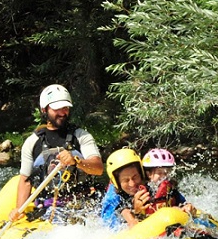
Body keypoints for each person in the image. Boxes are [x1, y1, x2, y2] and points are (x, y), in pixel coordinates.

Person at [9, 84, 104, 224]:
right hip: (50, 207)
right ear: (44, 109)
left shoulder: (82, 136)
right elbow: (25, 180)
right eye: (56, 108)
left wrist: (77, 161)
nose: (62, 112)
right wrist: (19, 209)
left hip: (82, 202)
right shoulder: (32, 142)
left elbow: (98, 168)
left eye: (65, 108)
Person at [99, 148, 151, 229]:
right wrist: (135, 212)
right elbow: (109, 225)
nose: (132, 184)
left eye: (135, 177)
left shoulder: (150, 182)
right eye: (126, 180)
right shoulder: (112, 198)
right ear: (117, 183)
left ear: (141, 173)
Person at [140, 148, 193, 215]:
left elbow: (183, 203)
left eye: (166, 173)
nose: (163, 177)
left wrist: (187, 206)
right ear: (149, 174)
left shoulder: (171, 190)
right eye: (159, 173)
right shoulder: (144, 192)